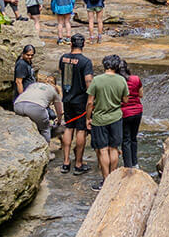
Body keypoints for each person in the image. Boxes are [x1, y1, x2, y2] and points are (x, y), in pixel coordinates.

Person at [85, 54, 128, 190]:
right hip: (116, 118)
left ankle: (105, 180)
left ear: (105, 65)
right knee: (114, 148)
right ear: (116, 66)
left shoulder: (97, 80)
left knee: (103, 150)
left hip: (99, 120)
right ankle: (113, 180)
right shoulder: (121, 80)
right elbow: (125, 100)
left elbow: (90, 102)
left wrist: (87, 118)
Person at [58, 33, 93, 174]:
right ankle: (78, 163)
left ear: (71, 44)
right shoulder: (85, 62)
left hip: (67, 99)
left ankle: (66, 162)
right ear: (83, 45)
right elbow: (88, 82)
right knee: (81, 130)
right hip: (80, 100)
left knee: (68, 127)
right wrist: (92, 100)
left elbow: (61, 73)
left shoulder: (63, 58)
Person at [13, 74, 64, 144]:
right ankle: (46, 149)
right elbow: (59, 111)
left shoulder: (33, 85)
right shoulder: (53, 91)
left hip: (18, 105)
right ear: (55, 85)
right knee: (45, 129)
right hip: (35, 108)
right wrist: (58, 122)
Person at [116, 56, 143, 169]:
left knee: (125, 139)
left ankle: (128, 165)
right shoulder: (136, 79)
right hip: (137, 111)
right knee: (133, 138)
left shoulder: (117, 81)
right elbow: (141, 95)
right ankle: (135, 163)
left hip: (124, 113)